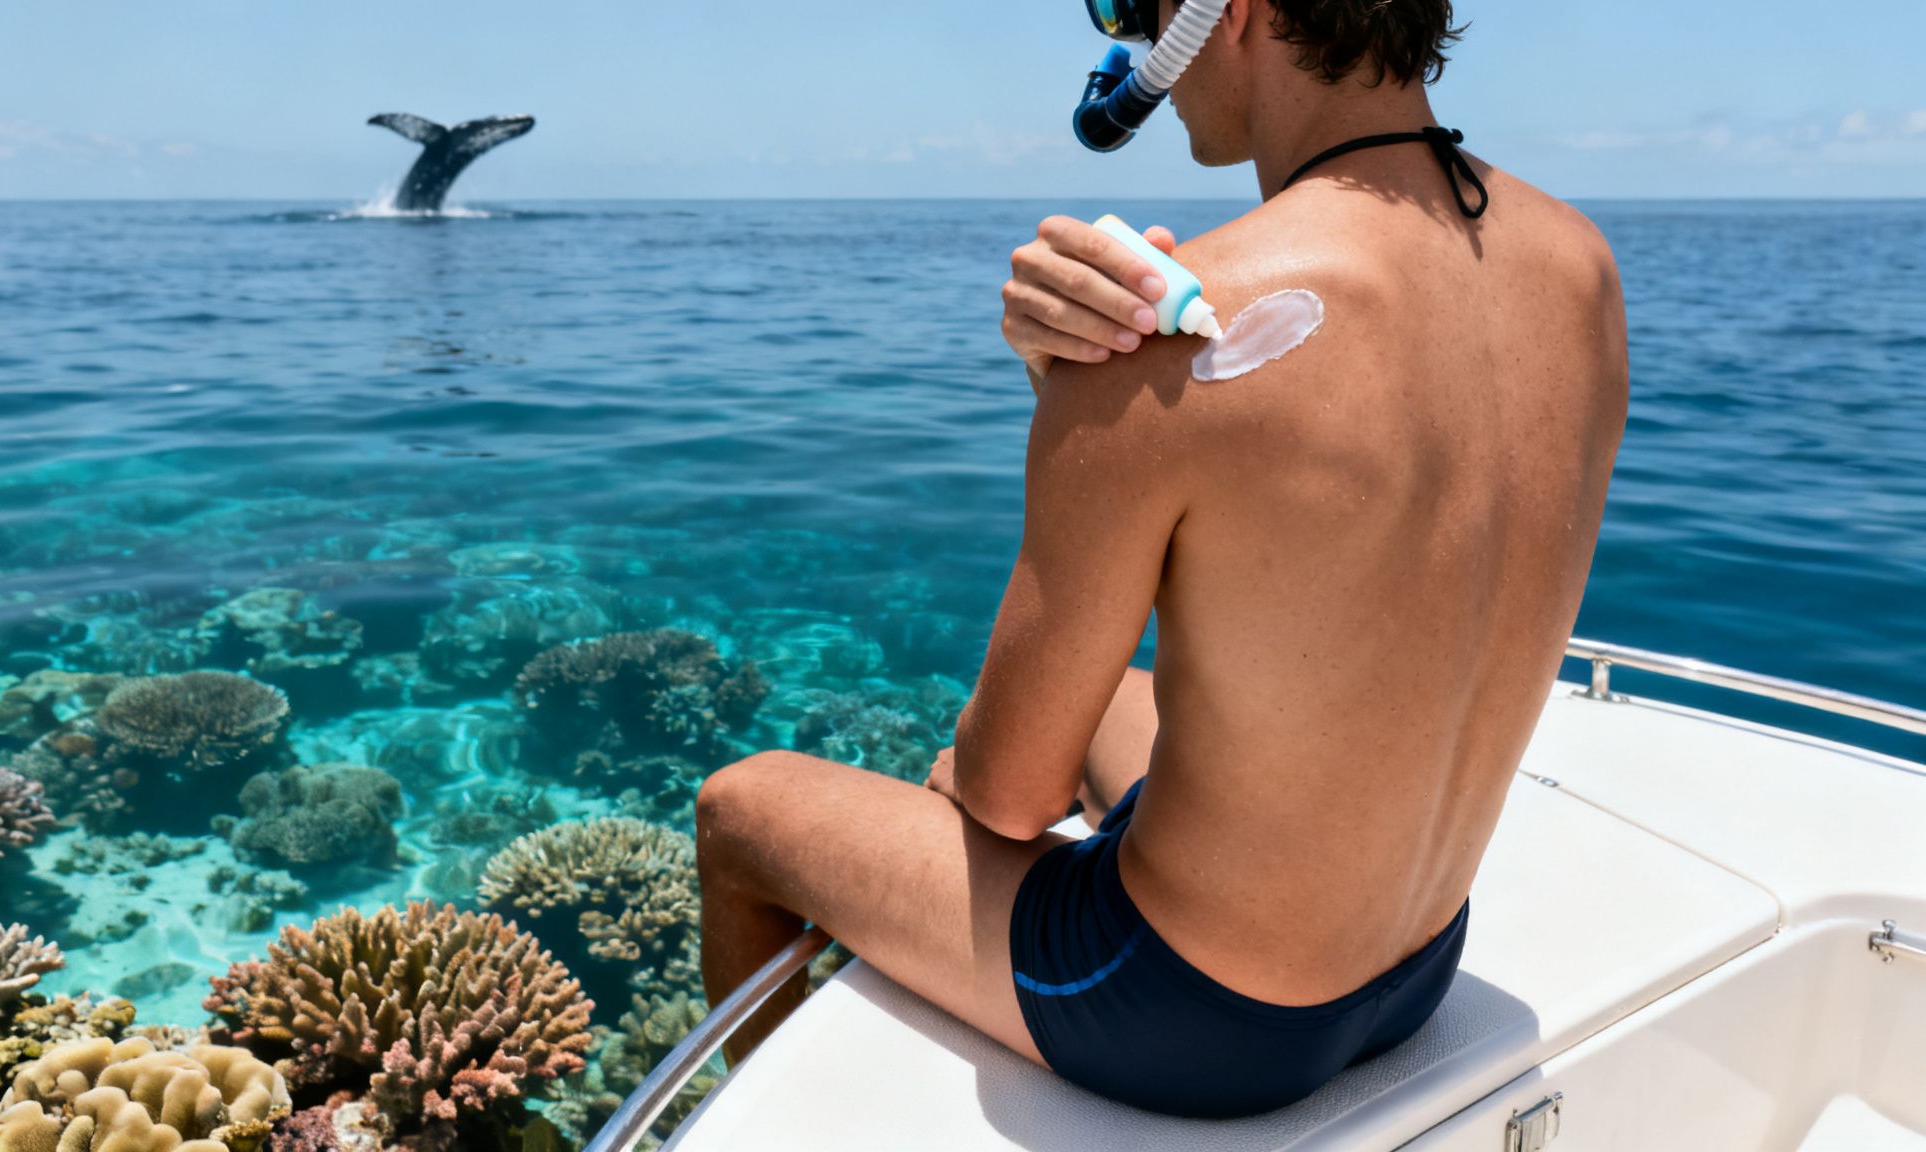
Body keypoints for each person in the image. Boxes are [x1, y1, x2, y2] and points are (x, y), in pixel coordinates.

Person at [695, 0, 1627, 1118]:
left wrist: (1084, 409)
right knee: (1111, 706)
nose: (1135, 51)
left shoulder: (1166, 337)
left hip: (1188, 1017)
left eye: (1133, 8)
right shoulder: (1580, 267)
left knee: (741, 808)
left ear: (1225, 13)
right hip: (1416, 970)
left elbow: (1005, 795)